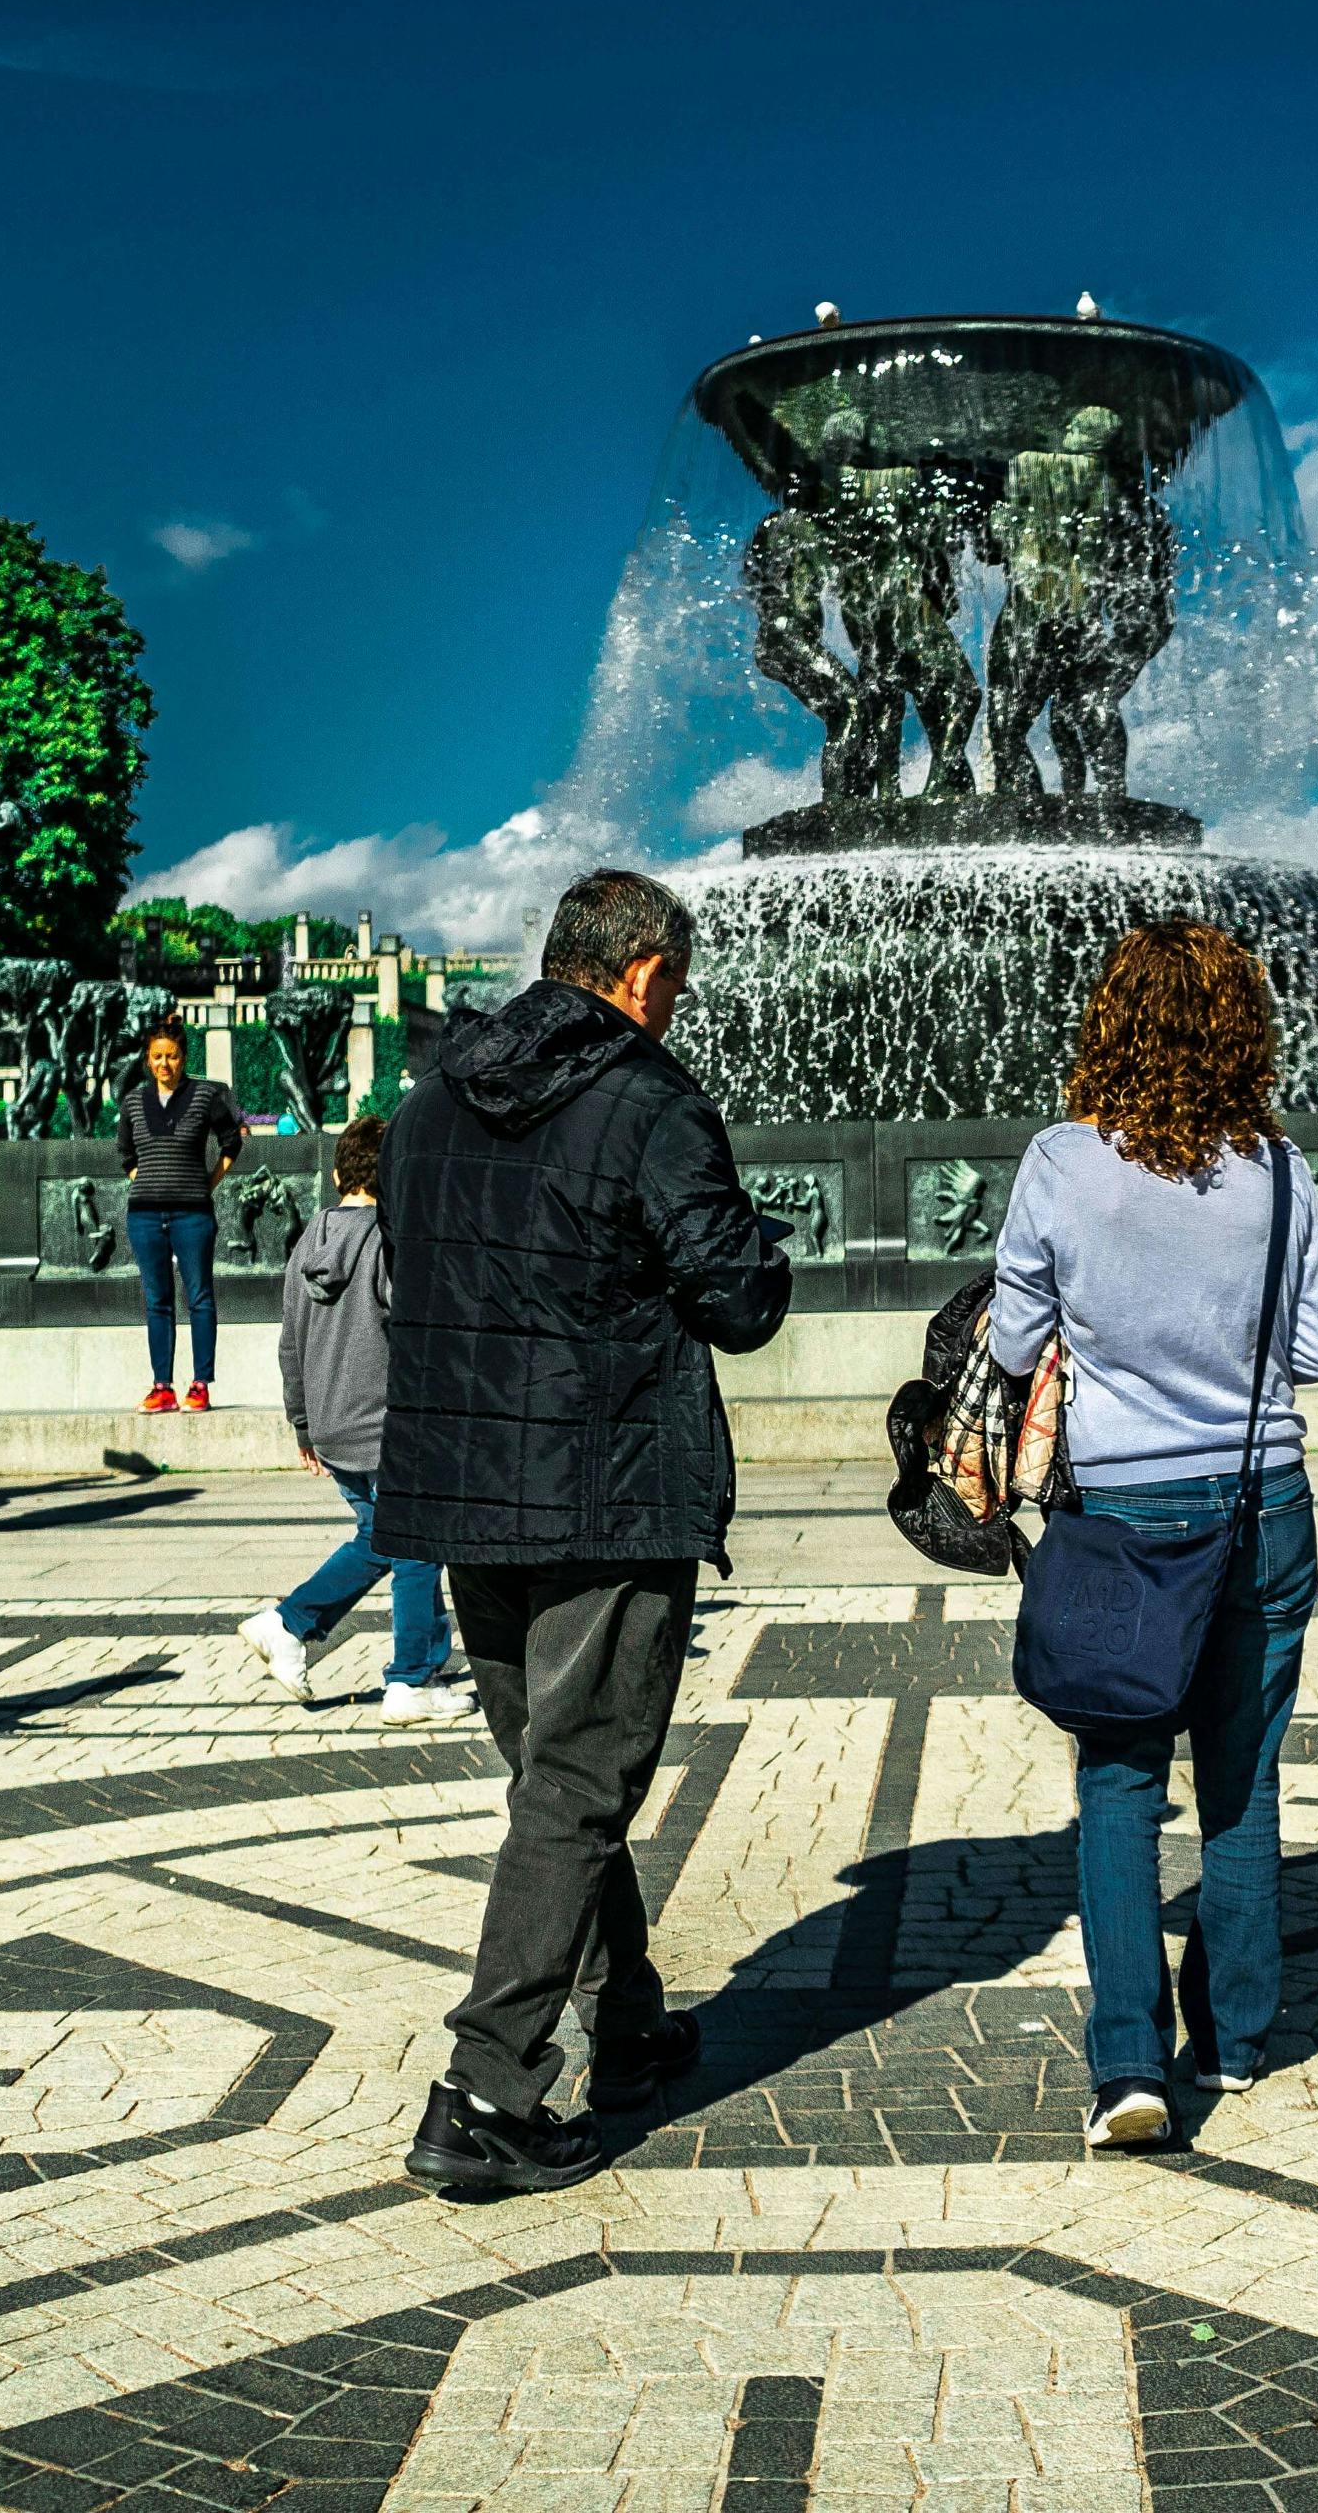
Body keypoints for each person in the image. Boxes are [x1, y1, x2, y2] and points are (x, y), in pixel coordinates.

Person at [375, 868, 790, 2193]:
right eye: (679, 987)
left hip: (464, 1487)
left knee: (555, 1780)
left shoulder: (429, 1099)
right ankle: (485, 2091)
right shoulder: (651, 1101)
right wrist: (759, 1248)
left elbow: (413, 1275)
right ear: (646, 973)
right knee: (577, 1785)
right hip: (604, 1485)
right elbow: (736, 1301)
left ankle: (626, 2021)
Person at [992, 920, 1318, 2148]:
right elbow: (1314, 1353)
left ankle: (1130, 2067)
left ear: (1111, 1022)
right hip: (1262, 1500)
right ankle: (1237, 2038)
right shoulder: (1281, 1169)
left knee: (1118, 1783)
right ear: (1244, 1029)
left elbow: (1011, 1339)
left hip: (1124, 1510)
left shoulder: (1060, 1160)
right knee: (1241, 1777)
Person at [254, 1115, 469, 1722]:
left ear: (336, 1175)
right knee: (417, 1546)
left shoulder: (307, 1242)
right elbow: (418, 1332)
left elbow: (289, 1344)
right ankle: (410, 1682)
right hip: (389, 1425)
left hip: (331, 1424)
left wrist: (303, 1424)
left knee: (381, 1536)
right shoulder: (389, 1241)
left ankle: (289, 1625)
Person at [117, 1025, 242, 1414]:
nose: (164, 1064)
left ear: (183, 1057)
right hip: (144, 1216)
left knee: (199, 1296)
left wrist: (207, 1183)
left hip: (193, 1214)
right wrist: (150, 1183)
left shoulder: (205, 1096)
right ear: (147, 1060)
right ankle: (162, 1387)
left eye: (171, 1056)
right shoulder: (133, 1101)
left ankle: (200, 1385)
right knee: (157, 1300)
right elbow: (125, 1154)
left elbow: (232, 1141)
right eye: (157, 1057)